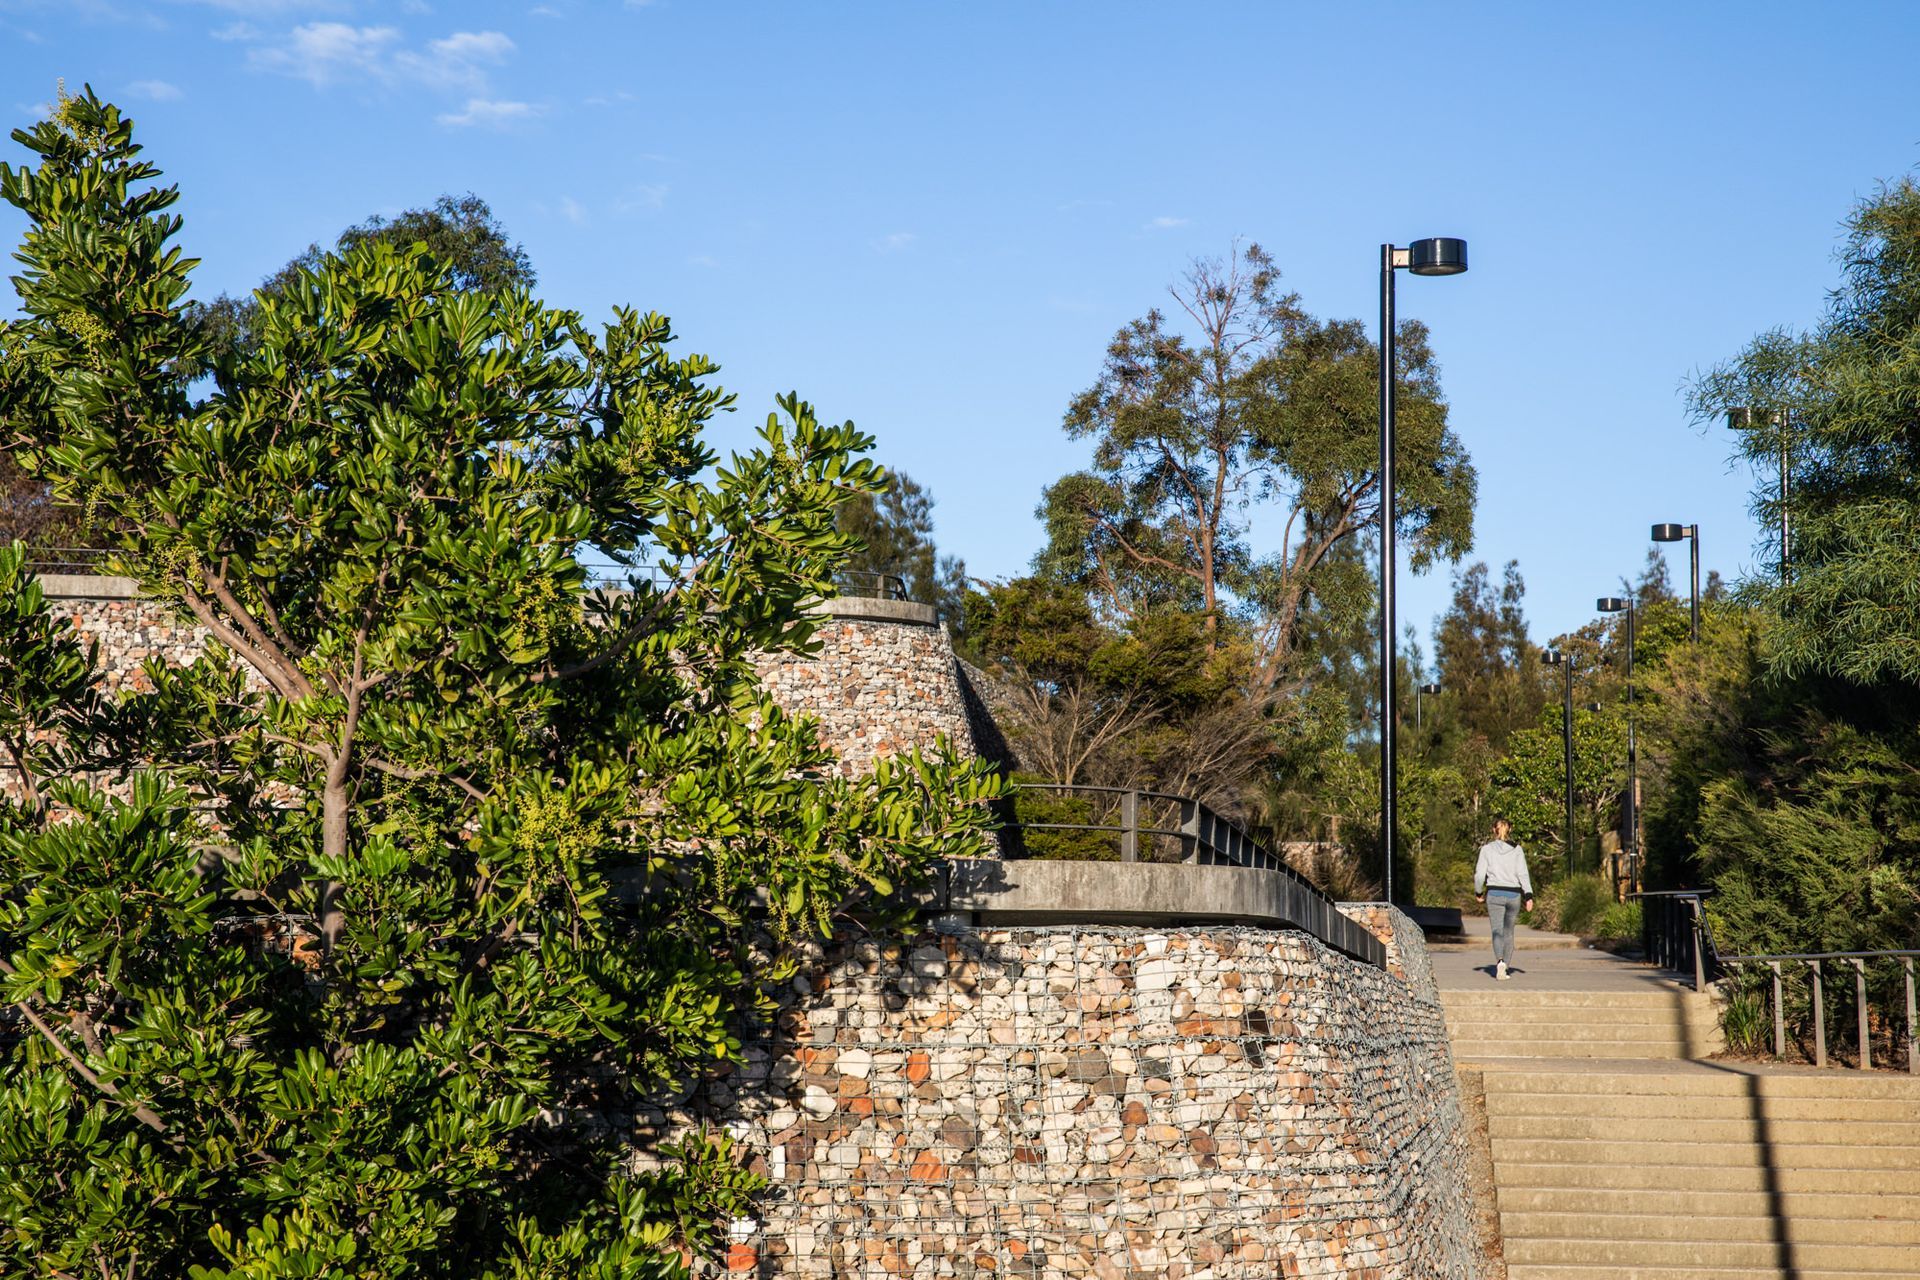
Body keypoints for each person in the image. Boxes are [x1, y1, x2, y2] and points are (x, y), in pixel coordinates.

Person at [1474, 817, 1534, 981]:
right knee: (1509, 932)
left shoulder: (1486, 849)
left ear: (1494, 830)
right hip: (1514, 895)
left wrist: (1479, 892)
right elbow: (1523, 874)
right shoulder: (1517, 850)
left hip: (1494, 894)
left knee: (1497, 931)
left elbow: (1480, 875)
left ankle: (1500, 961)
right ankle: (1505, 966)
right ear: (1509, 831)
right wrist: (1528, 895)